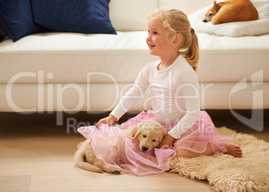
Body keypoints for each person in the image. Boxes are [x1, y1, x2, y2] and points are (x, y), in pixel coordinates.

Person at [78, 9, 242, 175]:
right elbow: (134, 92)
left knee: (179, 152)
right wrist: (114, 115)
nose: (148, 37)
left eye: (154, 33)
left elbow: (192, 113)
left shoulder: (184, 72)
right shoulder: (149, 69)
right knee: (131, 142)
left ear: (175, 38)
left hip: (182, 126)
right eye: (148, 32)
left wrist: (171, 136)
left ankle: (215, 147)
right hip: (156, 123)